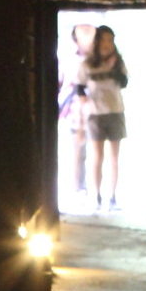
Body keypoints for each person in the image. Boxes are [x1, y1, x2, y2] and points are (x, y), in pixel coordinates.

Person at [78, 25, 128, 209]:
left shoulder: (118, 62)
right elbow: (79, 87)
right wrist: (85, 104)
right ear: (97, 41)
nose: (107, 44)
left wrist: (114, 68)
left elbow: (124, 83)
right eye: (104, 39)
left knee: (114, 157)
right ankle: (96, 196)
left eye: (110, 40)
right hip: (95, 115)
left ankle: (112, 197)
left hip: (115, 111)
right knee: (96, 157)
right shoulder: (87, 64)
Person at [62, 23, 96, 200]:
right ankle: (79, 188)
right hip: (75, 110)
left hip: (98, 109)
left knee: (97, 149)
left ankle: (94, 187)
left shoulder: (100, 60)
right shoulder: (70, 60)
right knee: (78, 149)